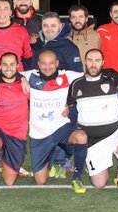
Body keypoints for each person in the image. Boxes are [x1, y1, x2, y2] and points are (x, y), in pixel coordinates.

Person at [66, 48, 118, 194]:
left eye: (97, 60)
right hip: (93, 141)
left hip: (116, 132)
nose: (93, 64)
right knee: (99, 183)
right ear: (84, 63)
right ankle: (97, 161)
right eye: (89, 60)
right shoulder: (76, 84)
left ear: (103, 63)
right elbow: (67, 105)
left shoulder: (112, 77)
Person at [20, 50, 88, 193]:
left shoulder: (67, 76)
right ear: (38, 64)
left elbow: (90, 76)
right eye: (43, 63)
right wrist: (21, 79)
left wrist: (70, 102)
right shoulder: (31, 76)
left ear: (57, 64)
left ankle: (76, 178)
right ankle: (52, 157)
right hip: (39, 136)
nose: (47, 67)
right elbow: (9, 72)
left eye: (51, 63)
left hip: (61, 129)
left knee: (81, 137)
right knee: (40, 181)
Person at [0, 52, 30, 197]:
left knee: (9, 181)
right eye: (5, 64)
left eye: (12, 64)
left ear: (18, 66)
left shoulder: (26, 86)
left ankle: (1, 157)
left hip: (17, 134)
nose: (8, 68)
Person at [68, 4, 101, 70]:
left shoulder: (95, 36)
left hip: (89, 77)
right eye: (74, 17)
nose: (77, 20)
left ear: (86, 19)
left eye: (80, 17)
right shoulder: (65, 36)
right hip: (69, 77)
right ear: (70, 19)